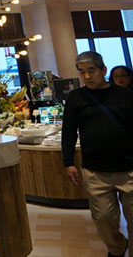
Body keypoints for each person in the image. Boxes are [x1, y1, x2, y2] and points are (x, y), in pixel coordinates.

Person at [62, 51, 133, 257]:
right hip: (95, 170)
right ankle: (117, 248)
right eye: (81, 72)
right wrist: (68, 162)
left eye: (91, 71)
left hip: (129, 168)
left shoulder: (126, 95)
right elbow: (68, 131)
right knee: (103, 219)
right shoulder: (75, 97)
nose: (86, 76)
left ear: (103, 70)